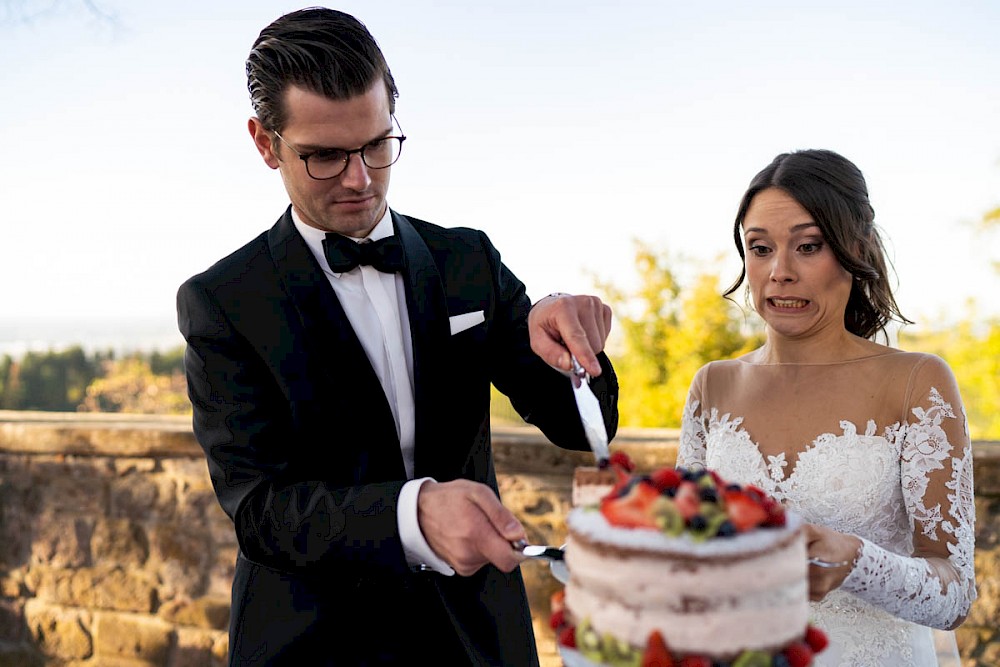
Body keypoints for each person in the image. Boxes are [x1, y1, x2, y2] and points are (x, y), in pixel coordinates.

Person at [176, 7, 618, 665]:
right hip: (314, 643)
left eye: (378, 145)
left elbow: (582, 427)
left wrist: (572, 347)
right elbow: (262, 511)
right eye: (324, 156)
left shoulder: (468, 259)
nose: (360, 179)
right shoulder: (224, 301)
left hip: (476, 637)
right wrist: (413, 515)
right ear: (265, 143)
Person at [678, 149, 976, 666]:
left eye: (808, 246)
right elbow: (684, 556)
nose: (779, 272)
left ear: (855, 247)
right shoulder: (713, 386)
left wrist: (858, 562)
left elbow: (954, 595)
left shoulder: (916, 382)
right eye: (760, 248)